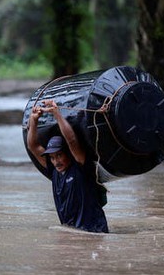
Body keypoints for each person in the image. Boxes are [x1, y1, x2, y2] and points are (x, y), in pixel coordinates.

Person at [27, 99, 109, 233]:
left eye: (59, 155)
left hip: (94, 232)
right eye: (52, 157)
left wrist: (56, 114)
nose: (56, 161)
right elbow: (33, 146)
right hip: (72, 232)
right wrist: (34, 120)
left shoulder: (81, 166)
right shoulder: (54, 172)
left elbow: (71, 140)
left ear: (69, 154)